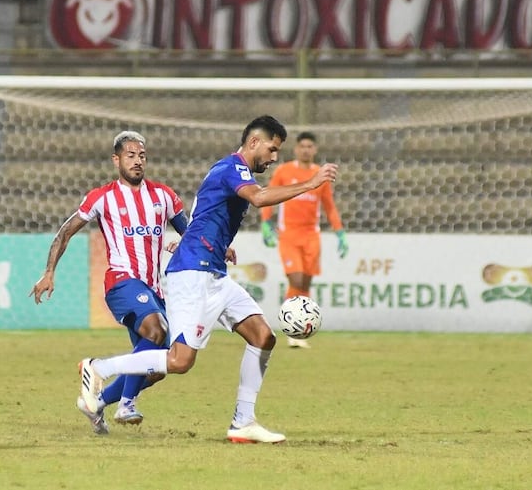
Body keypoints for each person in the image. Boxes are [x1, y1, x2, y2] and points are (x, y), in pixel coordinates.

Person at [78, 115, 338, 443]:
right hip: (193, 273)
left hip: (213, 271)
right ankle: (99, 368)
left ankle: (243, 421)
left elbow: (206, 217)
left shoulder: (232, 170)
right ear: (254, 142)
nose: (274, 158)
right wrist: (310, 183)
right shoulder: (231, 168)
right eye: (272, 149)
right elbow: (257, 198)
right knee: (180, 360)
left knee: (262, 337)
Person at [30, 130, 187, 435]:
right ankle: (124, 402)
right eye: (130, 155)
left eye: (142, 155)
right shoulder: (102, 197)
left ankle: (96, 403)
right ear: (116, 160)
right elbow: (65, 232)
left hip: (152, 289)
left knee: (159, 366)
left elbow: (191, 233)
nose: (137, 161)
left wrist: (189, 244)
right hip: (121, 282)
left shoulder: (164, 196)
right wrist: (49, 271)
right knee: (156, 330)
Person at [260, 131, 348, 348]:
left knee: (306, 283)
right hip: (289, 235)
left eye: (310, 146)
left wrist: (340, 232)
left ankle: (301, 329)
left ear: (315, 149)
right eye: (303, 146)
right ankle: (291, 327)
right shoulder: (284, 171)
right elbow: (269, 195)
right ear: (296, 149)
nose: (306, 149)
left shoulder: (320, 175)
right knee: (296, 280)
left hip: (311, 236)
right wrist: (265, 222)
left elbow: (329, 205)